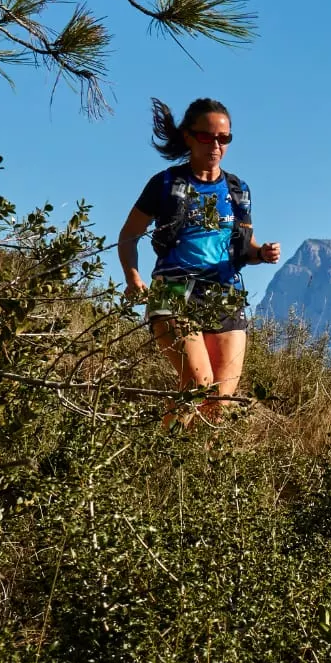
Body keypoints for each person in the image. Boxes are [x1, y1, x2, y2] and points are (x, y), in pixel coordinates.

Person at [117, 97, 282, 425]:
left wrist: (261, 253)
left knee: (221, 401)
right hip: (171, 289)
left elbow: (244, 247)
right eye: (207, 137)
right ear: (189, 137)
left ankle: (188, 473)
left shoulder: (238, 190)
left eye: (224, 138)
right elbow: (129, 235)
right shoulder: (165, 184)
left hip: (225, 293)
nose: (216, 145)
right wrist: (133, 277)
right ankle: (161, 462)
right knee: (197, 385)